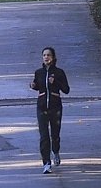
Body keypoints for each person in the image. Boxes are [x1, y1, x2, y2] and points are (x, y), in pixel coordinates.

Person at [29, 46, 69, 174]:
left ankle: (55, 151)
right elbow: (38, 86)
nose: (46, 57)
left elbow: (66, 90)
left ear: (53, 57)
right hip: (41, 107)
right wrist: (33, 85)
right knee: (44, 136)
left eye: (48, 55)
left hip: (55, 107)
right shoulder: (38, 72)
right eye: (44, 55)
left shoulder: (59, 72)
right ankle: (46, 163)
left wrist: (55, 81)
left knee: (55, 135)